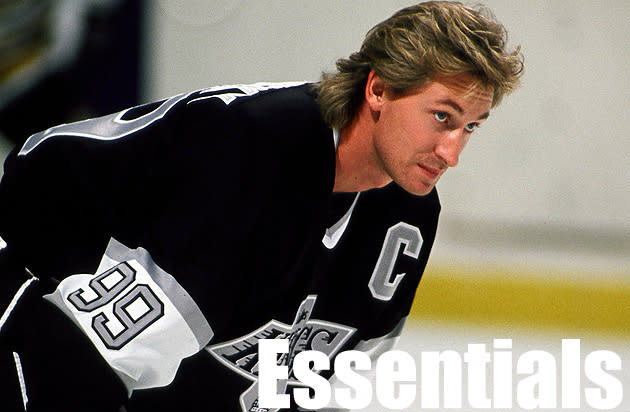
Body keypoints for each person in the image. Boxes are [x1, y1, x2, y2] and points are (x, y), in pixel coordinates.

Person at [0, 2, 523, 411]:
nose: (452, 154)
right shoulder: (254, 151)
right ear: (379, 89)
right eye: (441, 117)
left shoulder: (407, 216)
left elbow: (292, 385)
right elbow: (107, 358)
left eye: (469, 128)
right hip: (30, 273)